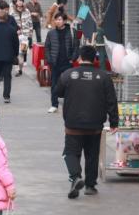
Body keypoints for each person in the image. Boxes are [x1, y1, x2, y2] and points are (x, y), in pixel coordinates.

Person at [56, 46, 119, 198]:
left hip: (73, 124)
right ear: (95, 59)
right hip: (95, 125)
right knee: (92, 155)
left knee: (71, 153)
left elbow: (58, 92)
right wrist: (114, 122)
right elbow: (111, 101)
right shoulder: (104, 77)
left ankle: (76, 177)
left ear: (79, 58)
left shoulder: (68, 75)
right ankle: (90, 186)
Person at [45, 12, 79, 113]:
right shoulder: (51, 33)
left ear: (64, 21)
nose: (57, 21)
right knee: (54, 84)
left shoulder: (72, 31)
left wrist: (73, 58)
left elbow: (76, 47)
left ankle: (69, 104)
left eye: (60, 19)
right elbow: (47, 47)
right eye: (56, 19)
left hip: (67, 62)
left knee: (69, 84)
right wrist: (50, 60)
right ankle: (54, 105)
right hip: (55, 63)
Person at [10, 0, 33, 76]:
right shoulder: (12, 12)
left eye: (21, 1)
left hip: (25, 36)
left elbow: (30, 22)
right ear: (16, 2)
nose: (19, 2)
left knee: (22, 53)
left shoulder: (27, 11)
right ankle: (17, 70)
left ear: (23, 2)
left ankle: (20, 69)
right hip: (15, 36)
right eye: (18, 1)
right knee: (15, 53)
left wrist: (30, 33)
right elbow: (10, 23)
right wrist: (15, 30)